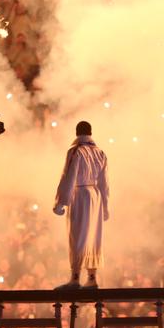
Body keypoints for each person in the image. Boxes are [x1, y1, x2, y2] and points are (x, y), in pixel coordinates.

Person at [53, 121, 109, 289]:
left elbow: (68, 176)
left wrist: (61, 202)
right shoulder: (100, 152)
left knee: (77, 235)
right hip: (96, 196)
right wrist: (105, 207)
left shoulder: (76, 151)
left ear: (77, 133)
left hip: (80, 195)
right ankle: (92, 277)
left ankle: (75, 278)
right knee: (93, 236)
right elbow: (105, 183)